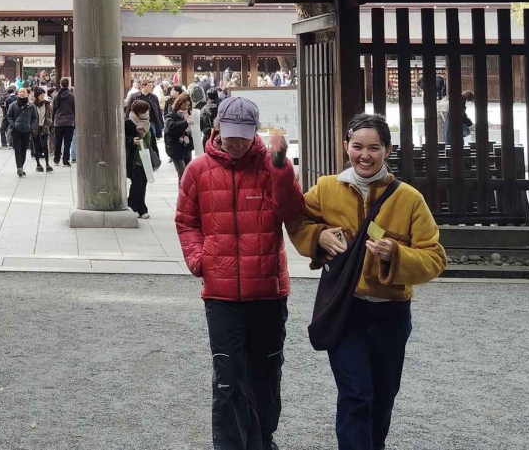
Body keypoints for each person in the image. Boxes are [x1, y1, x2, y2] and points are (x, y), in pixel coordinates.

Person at [289, 113, 447, 450]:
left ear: (388, 150)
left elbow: (435, 257)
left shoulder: (409, 199)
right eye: (357, 146)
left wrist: (396, 255)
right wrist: (318, 236)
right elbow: (297, 220)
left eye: (374, 148)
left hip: (391, 313)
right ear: (345, 145)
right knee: (356, 394)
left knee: (383, 397)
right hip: (345, 309)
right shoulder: (327, 189)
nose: (365, 155)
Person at [175, 96, 303, 450]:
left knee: (266, 372)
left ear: (254, 133)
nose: (236, 143)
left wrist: (281, 166)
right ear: (217, 128)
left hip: (267, 290)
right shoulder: (198, 170)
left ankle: (263, 439)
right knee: (227, 375)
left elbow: (293, 211)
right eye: (230, 135)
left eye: (243, 137)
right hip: (221, 294)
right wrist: (199, 259)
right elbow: (186, 221)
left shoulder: (269, 166)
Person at [124, 99, 154, 218]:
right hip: (134, 159)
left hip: (145, 158)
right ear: (138, 112)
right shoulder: (129, 123)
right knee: (137, 183)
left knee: (143, 183)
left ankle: (138, 207)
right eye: (144, 111)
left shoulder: (147, 124)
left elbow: (151, 142)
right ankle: (136, 207)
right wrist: (132, 140)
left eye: (147, 111)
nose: (147, 113)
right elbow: (121, 139)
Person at [163, 93, 196, 184]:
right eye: (184, 104)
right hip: (175, 148)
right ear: (179, 103)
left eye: (188, 105)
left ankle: (187, 191)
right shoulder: (171, 115)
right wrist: (186, 122)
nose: (186, 107)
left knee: (188, 172)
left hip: (187, 146)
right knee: (182, 172)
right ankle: (182, 191)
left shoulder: (189, 114)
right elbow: (171, 127)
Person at [8, 86, 37, 176]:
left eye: (24, 92)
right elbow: (9, 116)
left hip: (26, 131)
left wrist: (31, 126)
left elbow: (34, 117)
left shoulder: (31, 106)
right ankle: (19, 167)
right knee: (17, 149)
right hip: (16, 131)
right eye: (20, 92)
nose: (22, 93)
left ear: (27, 94)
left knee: (24, 149)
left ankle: (21, 166)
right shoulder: (13, 105)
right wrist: (13, 125)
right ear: (18, 94)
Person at [52, 76, 76, 165]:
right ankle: (66, 160)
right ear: (68, 85)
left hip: (58, 122)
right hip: (69, 122)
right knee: (67, 142)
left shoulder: (56, 96)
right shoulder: (72, 96)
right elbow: (74, 110)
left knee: (58, 142)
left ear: (60, 84)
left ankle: (56, 159)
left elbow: (53, 110)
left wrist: (53, 121)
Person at [32, 86, 54, 173]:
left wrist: (50, 124)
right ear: (36, 95)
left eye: (43, 94)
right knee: (36, 146)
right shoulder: (32, 105)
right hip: (35, 128)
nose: (42, 96)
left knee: (45, 145)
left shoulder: (47, 104)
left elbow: (49, 115)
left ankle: (47, 164)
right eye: (40, 95)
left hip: (44, 127)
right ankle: (38, 164)